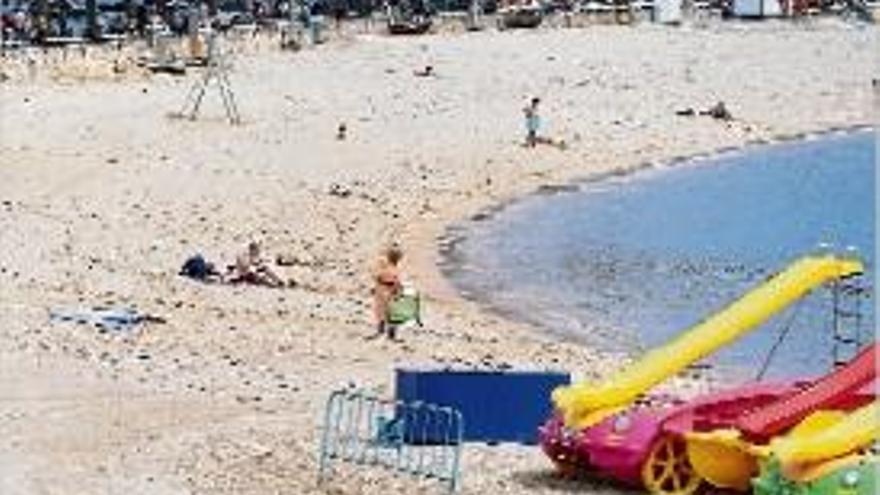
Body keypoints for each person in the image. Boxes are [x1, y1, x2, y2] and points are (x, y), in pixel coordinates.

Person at [372, 244, 404, 338]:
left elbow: (378, 277)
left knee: (381, 310)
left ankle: (382, 328)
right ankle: (391, 331)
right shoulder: (395, 269)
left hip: (383, 288)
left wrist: (376, 286)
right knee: (391, 311)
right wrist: (399, 290)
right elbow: (396, 281)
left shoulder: (385, 267)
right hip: (390, 289)